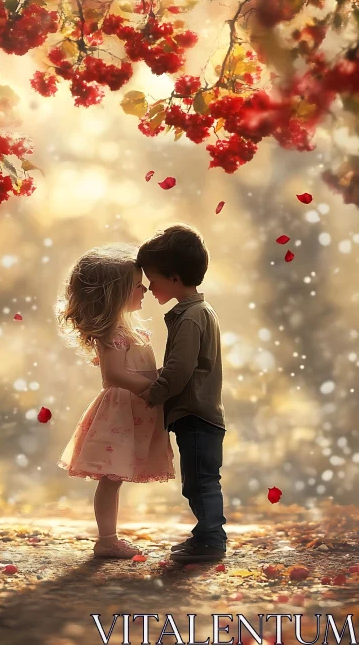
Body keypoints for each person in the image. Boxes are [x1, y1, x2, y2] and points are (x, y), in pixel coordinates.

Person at [55, 243, 175, 559]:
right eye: (138, 286)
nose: (145, 289)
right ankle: (106, 539)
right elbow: (115, 375)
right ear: (117, 293)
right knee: (111, 479)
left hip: (133, 412)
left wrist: (162, 375)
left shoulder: (131, 329)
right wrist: (154, 387)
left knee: (115, 479)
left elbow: (136, 369)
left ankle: (108, 538)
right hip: (120, 413)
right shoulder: (114, 332)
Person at [136, 224, 227, 564]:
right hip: (198, 415)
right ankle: (205, 536)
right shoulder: (196, 313)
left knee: (201, 482)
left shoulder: (191, 317)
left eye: (152, 278)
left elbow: (179, 370)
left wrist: (153, 393)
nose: (148, 286)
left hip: (196, 414)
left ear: (174, 278)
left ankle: (211, 541)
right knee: (199, 480)